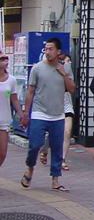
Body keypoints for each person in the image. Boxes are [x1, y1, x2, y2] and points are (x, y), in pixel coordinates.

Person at [20, 38, 75, 192]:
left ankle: (55, 180)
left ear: (58, 52)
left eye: (51, 49)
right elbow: (30, 91)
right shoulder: (37, 68)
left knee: (57, 148)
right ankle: (30, 168)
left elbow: (72, 89)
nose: (47, 52)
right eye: (46, 49)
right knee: (35, 144)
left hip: (58, 114)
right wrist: (26, 113)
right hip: (39, 112)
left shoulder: (65, 68)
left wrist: (64, 74)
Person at [39, 53, 75, 171]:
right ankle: (44, 149)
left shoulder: (67, 72)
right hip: (53, 105)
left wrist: (65, 74)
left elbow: (72, 88)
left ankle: (62, 160)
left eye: (69, 61)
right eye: (66, 61)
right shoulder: (49, 71)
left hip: (67, 105)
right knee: (52, 133)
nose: (68, 63)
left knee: (67, 132)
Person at [0, 52, 24, 167]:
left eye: (6, 58)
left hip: (4, 120)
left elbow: (14, 99)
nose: (5, 61)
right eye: (2, 59)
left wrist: (22, 115)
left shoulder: (11, 80)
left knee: (2, 153)